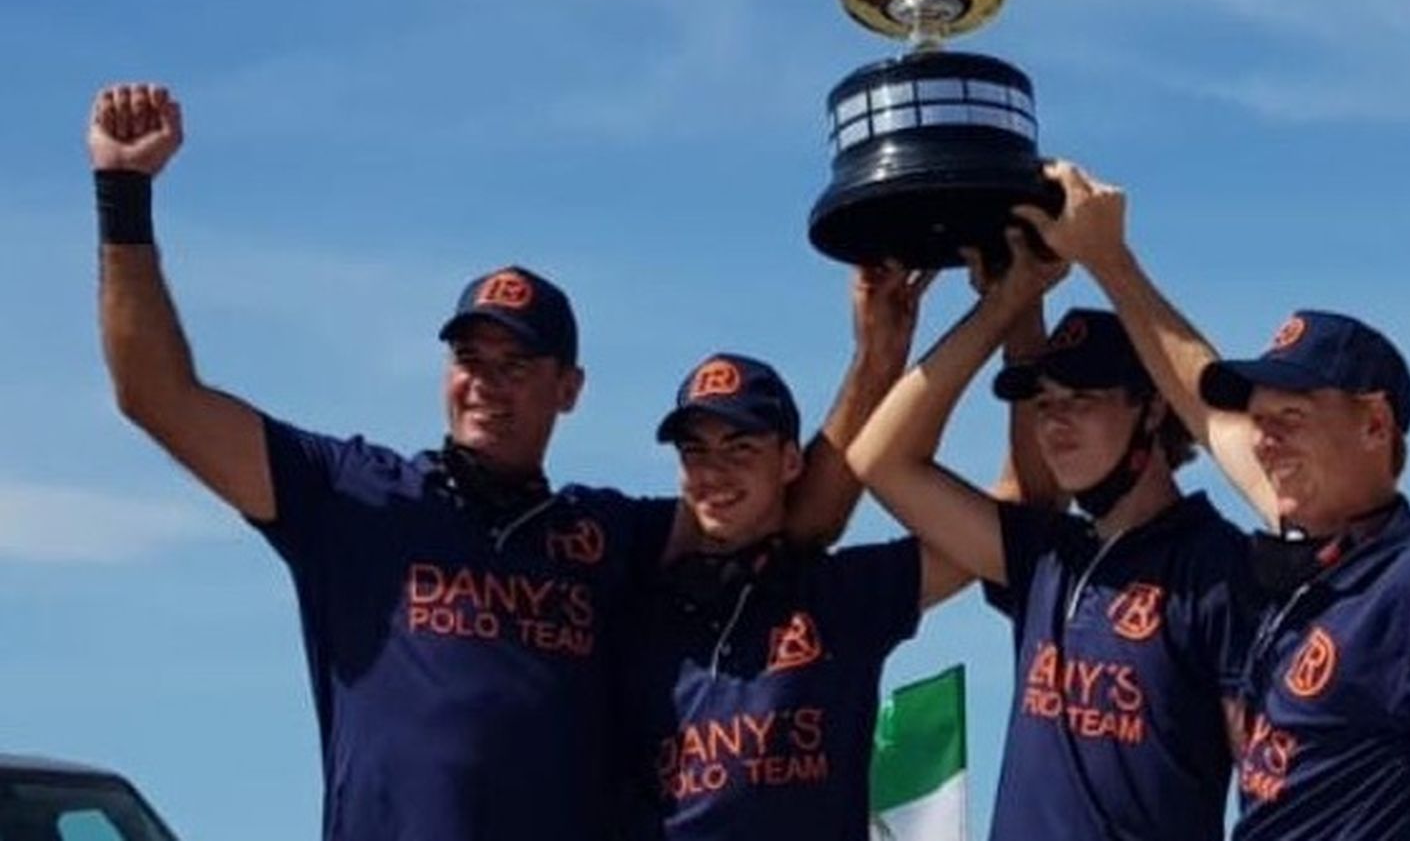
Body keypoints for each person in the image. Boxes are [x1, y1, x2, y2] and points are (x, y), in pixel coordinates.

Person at [87, 82, 916, 841]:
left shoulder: (603, 535)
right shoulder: (354, 498)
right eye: (470, 360)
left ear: (569, 388)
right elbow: (156, 397)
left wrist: (877, 357)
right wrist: (124, 197)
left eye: (516, 365)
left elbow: (791, 515)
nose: (486, 385)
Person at [1027, 161, 1410, 841]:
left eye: (1291, 419)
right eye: (1261, 419)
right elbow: (1206, 409)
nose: (1265, 441)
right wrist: (1107, 259)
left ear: (1373, 425)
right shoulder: (1319, 561)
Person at [847, 222, 1255, 840]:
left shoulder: (1219, 567)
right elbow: (879, 460)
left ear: (1150, 408)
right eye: (1044, 403)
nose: (1055, 423)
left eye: (1082, 400)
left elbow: (1266, 776)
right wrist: (1006, 304)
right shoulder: (1050, 556)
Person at [620, 350, 969, 841]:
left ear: (789, 462)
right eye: (694, 452)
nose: (713, 472)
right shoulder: (638, 604)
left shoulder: (838, 596)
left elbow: (1002, 531)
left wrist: (1008, 313)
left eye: (740, 449)